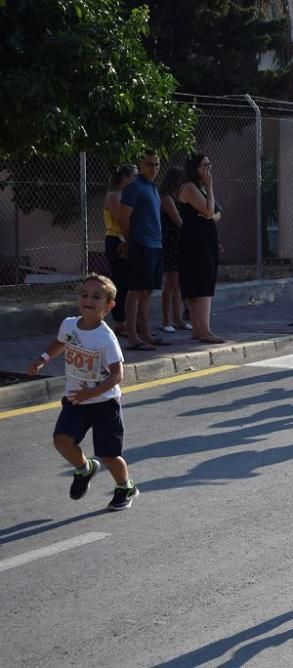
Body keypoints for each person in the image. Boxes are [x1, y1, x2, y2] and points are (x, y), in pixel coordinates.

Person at [26, 274, 139, 510]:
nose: (88, 300)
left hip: (104, 405)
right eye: (85, 294)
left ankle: (125, 487)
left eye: (96, 296)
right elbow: (61, 342)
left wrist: (92, 393)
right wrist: (43, 359)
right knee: (62, 441)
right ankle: (85, 468)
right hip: (76, 399)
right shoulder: (69, 324)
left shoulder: (106, 338)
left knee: (109, 456)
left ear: (109, 305)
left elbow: (117, 376)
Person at [118, 149, 165, 351]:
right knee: (135, 291)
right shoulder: (134, 187)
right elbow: (123, 218)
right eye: (149, 164)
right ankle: (133, 336)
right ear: (141, 164)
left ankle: (146, 333)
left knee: (147, 291)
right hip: (141, 243)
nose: (153, 168)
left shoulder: (153, 187)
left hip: (156, 244)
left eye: (156, 164)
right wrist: (130, 240)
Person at [178, 153, 224, 344]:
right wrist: (210, 188)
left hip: (205, 240)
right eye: (204, 166)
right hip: (195, 242)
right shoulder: (189, 187)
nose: (208, 170)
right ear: (194, 168)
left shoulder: (201, 188)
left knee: (202, 284)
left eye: (209, 165)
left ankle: (199, 329)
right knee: (201, 285)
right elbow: (208, 209)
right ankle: (204, 330)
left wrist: (210, 214)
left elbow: (216, 213)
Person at [102, 164, 137, 337]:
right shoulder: (114, 196)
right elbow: (123, 221)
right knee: (121, 282)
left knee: (131, 282)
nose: (136, 180)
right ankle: (120, 322)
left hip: (128, 239)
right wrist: (128, 241)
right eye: (134, 176)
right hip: (118, 240)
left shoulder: (127, 196)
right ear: (124, 178)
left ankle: (130, 321)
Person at [158, 166, 188, 334]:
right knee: (170, 283)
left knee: (177, 284)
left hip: (179, 242)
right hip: (171, 243)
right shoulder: (167, 198)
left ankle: (178, 319)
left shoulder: (177, 197)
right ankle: (165, 319)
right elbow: (178, 220)